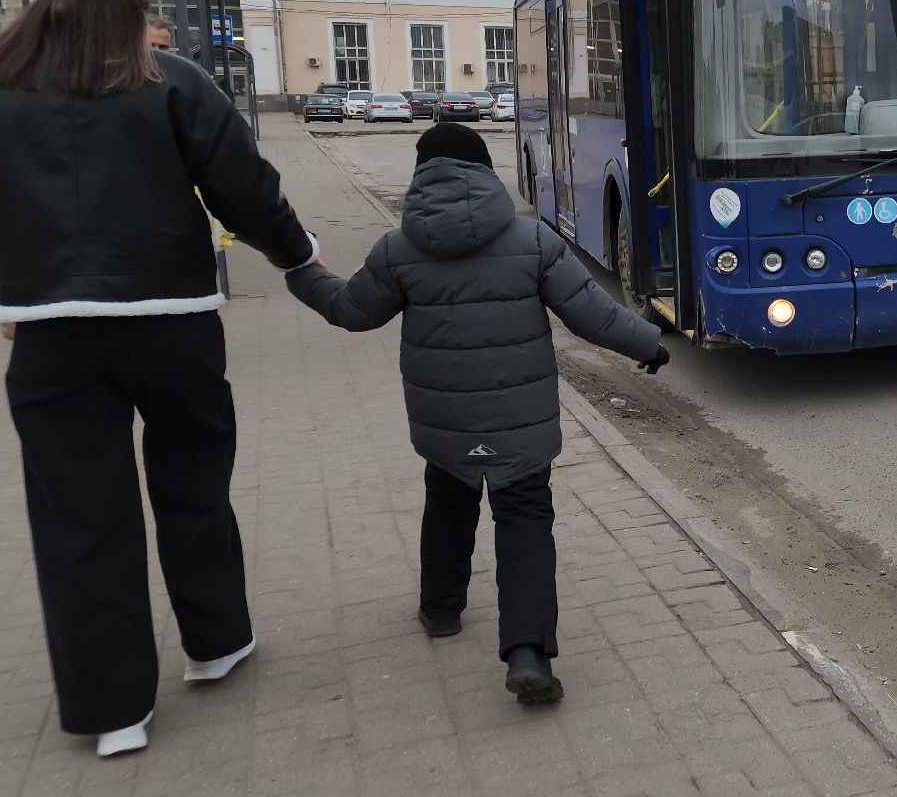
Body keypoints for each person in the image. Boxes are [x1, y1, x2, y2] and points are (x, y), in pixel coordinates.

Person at [0, 0, 319, 757]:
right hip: (172, 323)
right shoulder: (172, 83)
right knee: (193, 480)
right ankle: (217, 642)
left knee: (80, 516)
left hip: (50, 335)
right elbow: (246, 188)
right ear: (134, 1)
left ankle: (114, 713)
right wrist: (299, 258)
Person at [284, 122, 669, 705]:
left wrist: (300, 271)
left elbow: (349, 311)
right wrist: (650, 345)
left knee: (447, 504)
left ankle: (440, 612)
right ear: (486, 172)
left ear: (422, 176)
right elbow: (592, 315)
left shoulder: (397, 250)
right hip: (522, 425)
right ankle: (527, 652)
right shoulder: (534, 241)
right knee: (525, 524)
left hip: (445, 424)